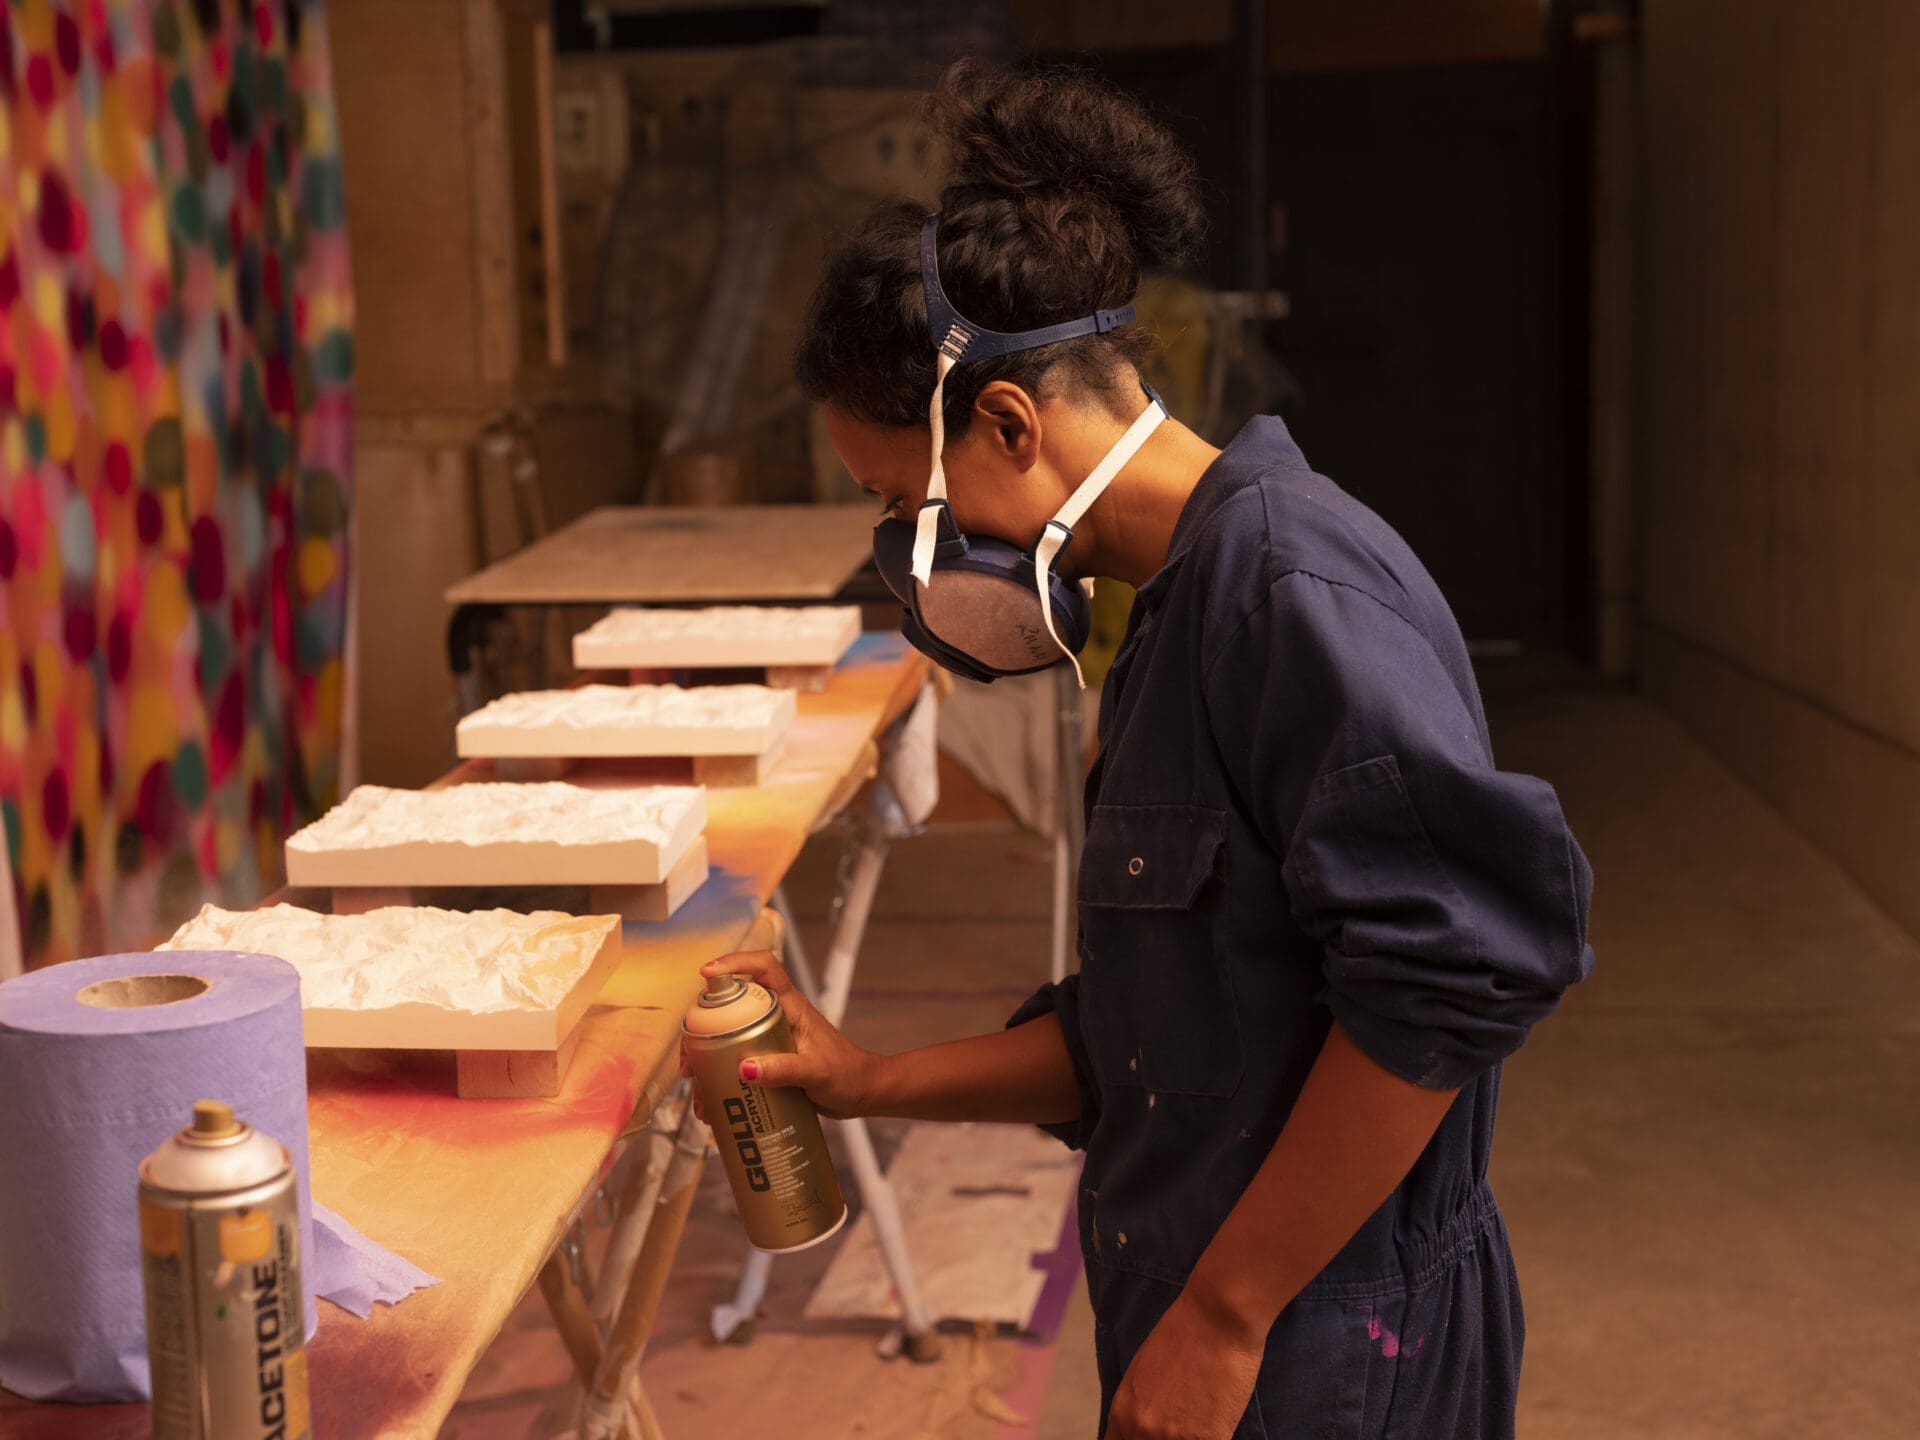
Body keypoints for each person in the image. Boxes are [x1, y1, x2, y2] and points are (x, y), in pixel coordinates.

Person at [691, 60, 1594, 1440]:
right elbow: (1167, 1038)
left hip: (1329, 1338)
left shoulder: (1291, 595)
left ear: (1005, 422)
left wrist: (1230, 1318)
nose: (908, 557)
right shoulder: (1176, 606)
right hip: (1222, 1310)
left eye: (901, 504)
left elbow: (1453, 982)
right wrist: (870, 1082)